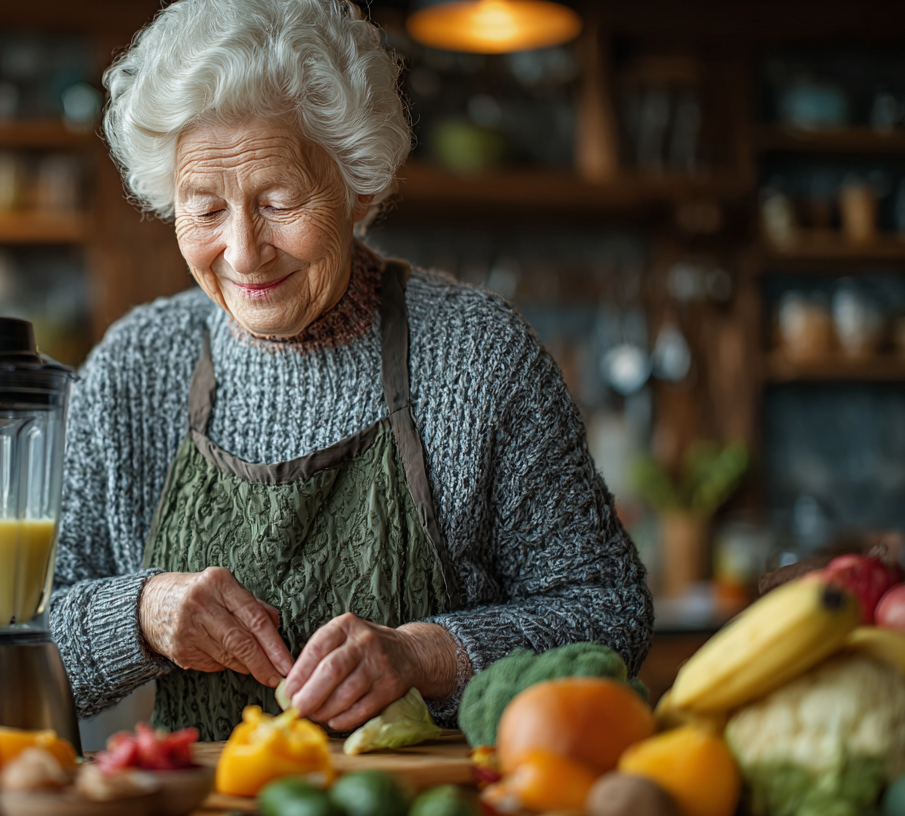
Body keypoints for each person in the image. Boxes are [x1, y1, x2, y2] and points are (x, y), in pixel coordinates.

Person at [49, 0, 653, 740]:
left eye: (278, 201)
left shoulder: (480, 356)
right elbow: (22, 637)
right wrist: (139, 615)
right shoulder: (133, 370)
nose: (242, 251)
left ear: (358, 185)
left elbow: (610, 614)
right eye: (204, 210)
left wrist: (424, 655)